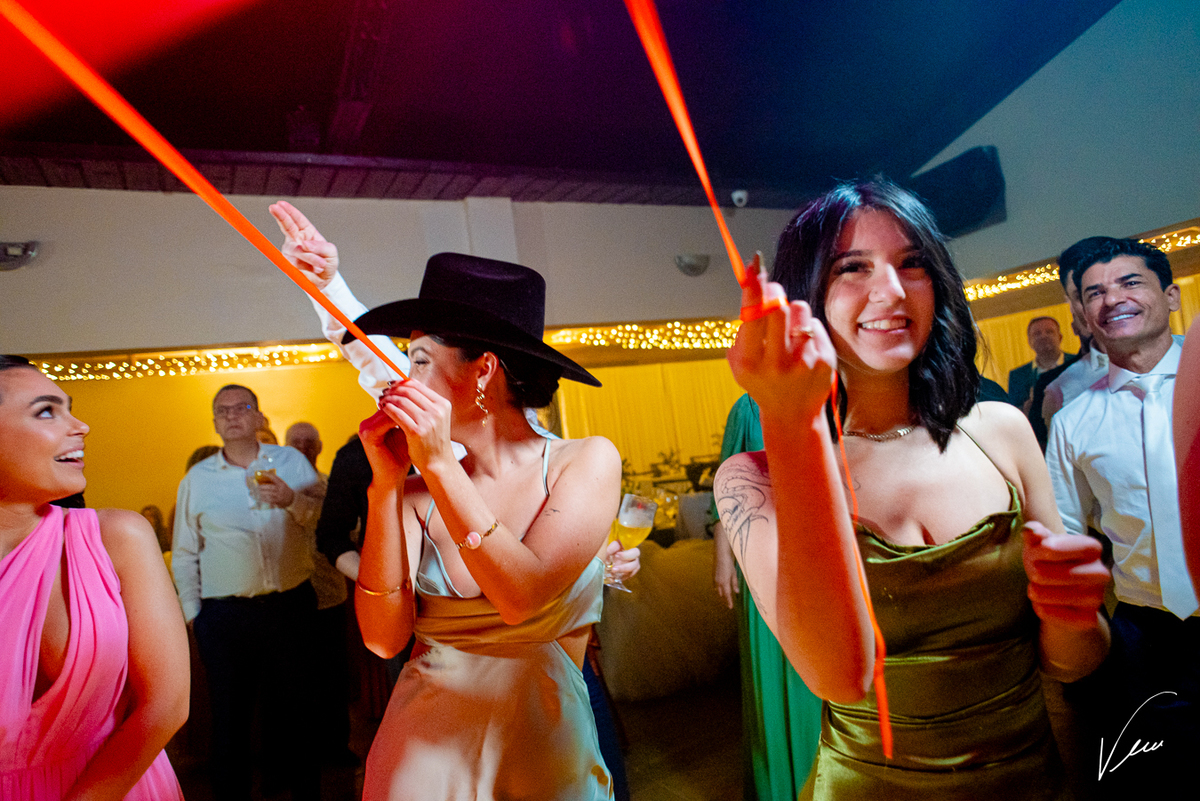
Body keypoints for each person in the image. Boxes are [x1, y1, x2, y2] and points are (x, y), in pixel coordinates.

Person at [713, 180, 1110, 800]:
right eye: (853, 268)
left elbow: (1070, 662)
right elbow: (839, 677)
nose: (892, 291)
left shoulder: (1000, 431)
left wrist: (1076, 613)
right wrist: (794, 418)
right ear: (805, 296)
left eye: (912, 263)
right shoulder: (755, 478)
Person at [270, 200, 639, 799]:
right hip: (421, 756)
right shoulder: (416, 488)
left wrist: (440, 463)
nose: (400, 380)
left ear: (485, 371)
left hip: (543, 747)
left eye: (417, 360)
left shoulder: (585, 459)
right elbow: (382, 641)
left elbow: (522, 597)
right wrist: (385, 487)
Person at [1046, 236, 1197, 794]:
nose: (1112, 299)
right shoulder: (1074, 421)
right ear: (1085, 317)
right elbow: (1062, 533)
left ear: (1171, 296)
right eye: (1094, 293)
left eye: (1130, 282)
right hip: (1147, 636)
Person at [0, 355, 189, 800]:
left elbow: (167, 705)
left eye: (70, 408)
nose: (81, 426)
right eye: (47, 412)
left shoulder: (117, 538)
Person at [172, 384, 323, 801]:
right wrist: (194, 614)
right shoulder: (198, 480)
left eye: (242, 408)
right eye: (223, 411)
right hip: (225, 616)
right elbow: (184, 552)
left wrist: (292, 500)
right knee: (229, 718)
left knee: (299, 712)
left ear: (258, 417)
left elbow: (321, 520)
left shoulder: (290, 462)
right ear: (215, 422)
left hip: (290, 605)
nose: (232, 416)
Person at [711, 393, 822, 800]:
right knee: (773, 677)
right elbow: (728, 490)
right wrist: (723, 556)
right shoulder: (749, 407)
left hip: (826, 555)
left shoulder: (837, 395)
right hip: (764, 554)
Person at [1007, 316, 1070, 411]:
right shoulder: (1017, 376)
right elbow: (1014, 412)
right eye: (1037, 334)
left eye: (1049, 332)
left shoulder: (1079, 363)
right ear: (1029, 341)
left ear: (1060, 337)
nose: (1043, 336)